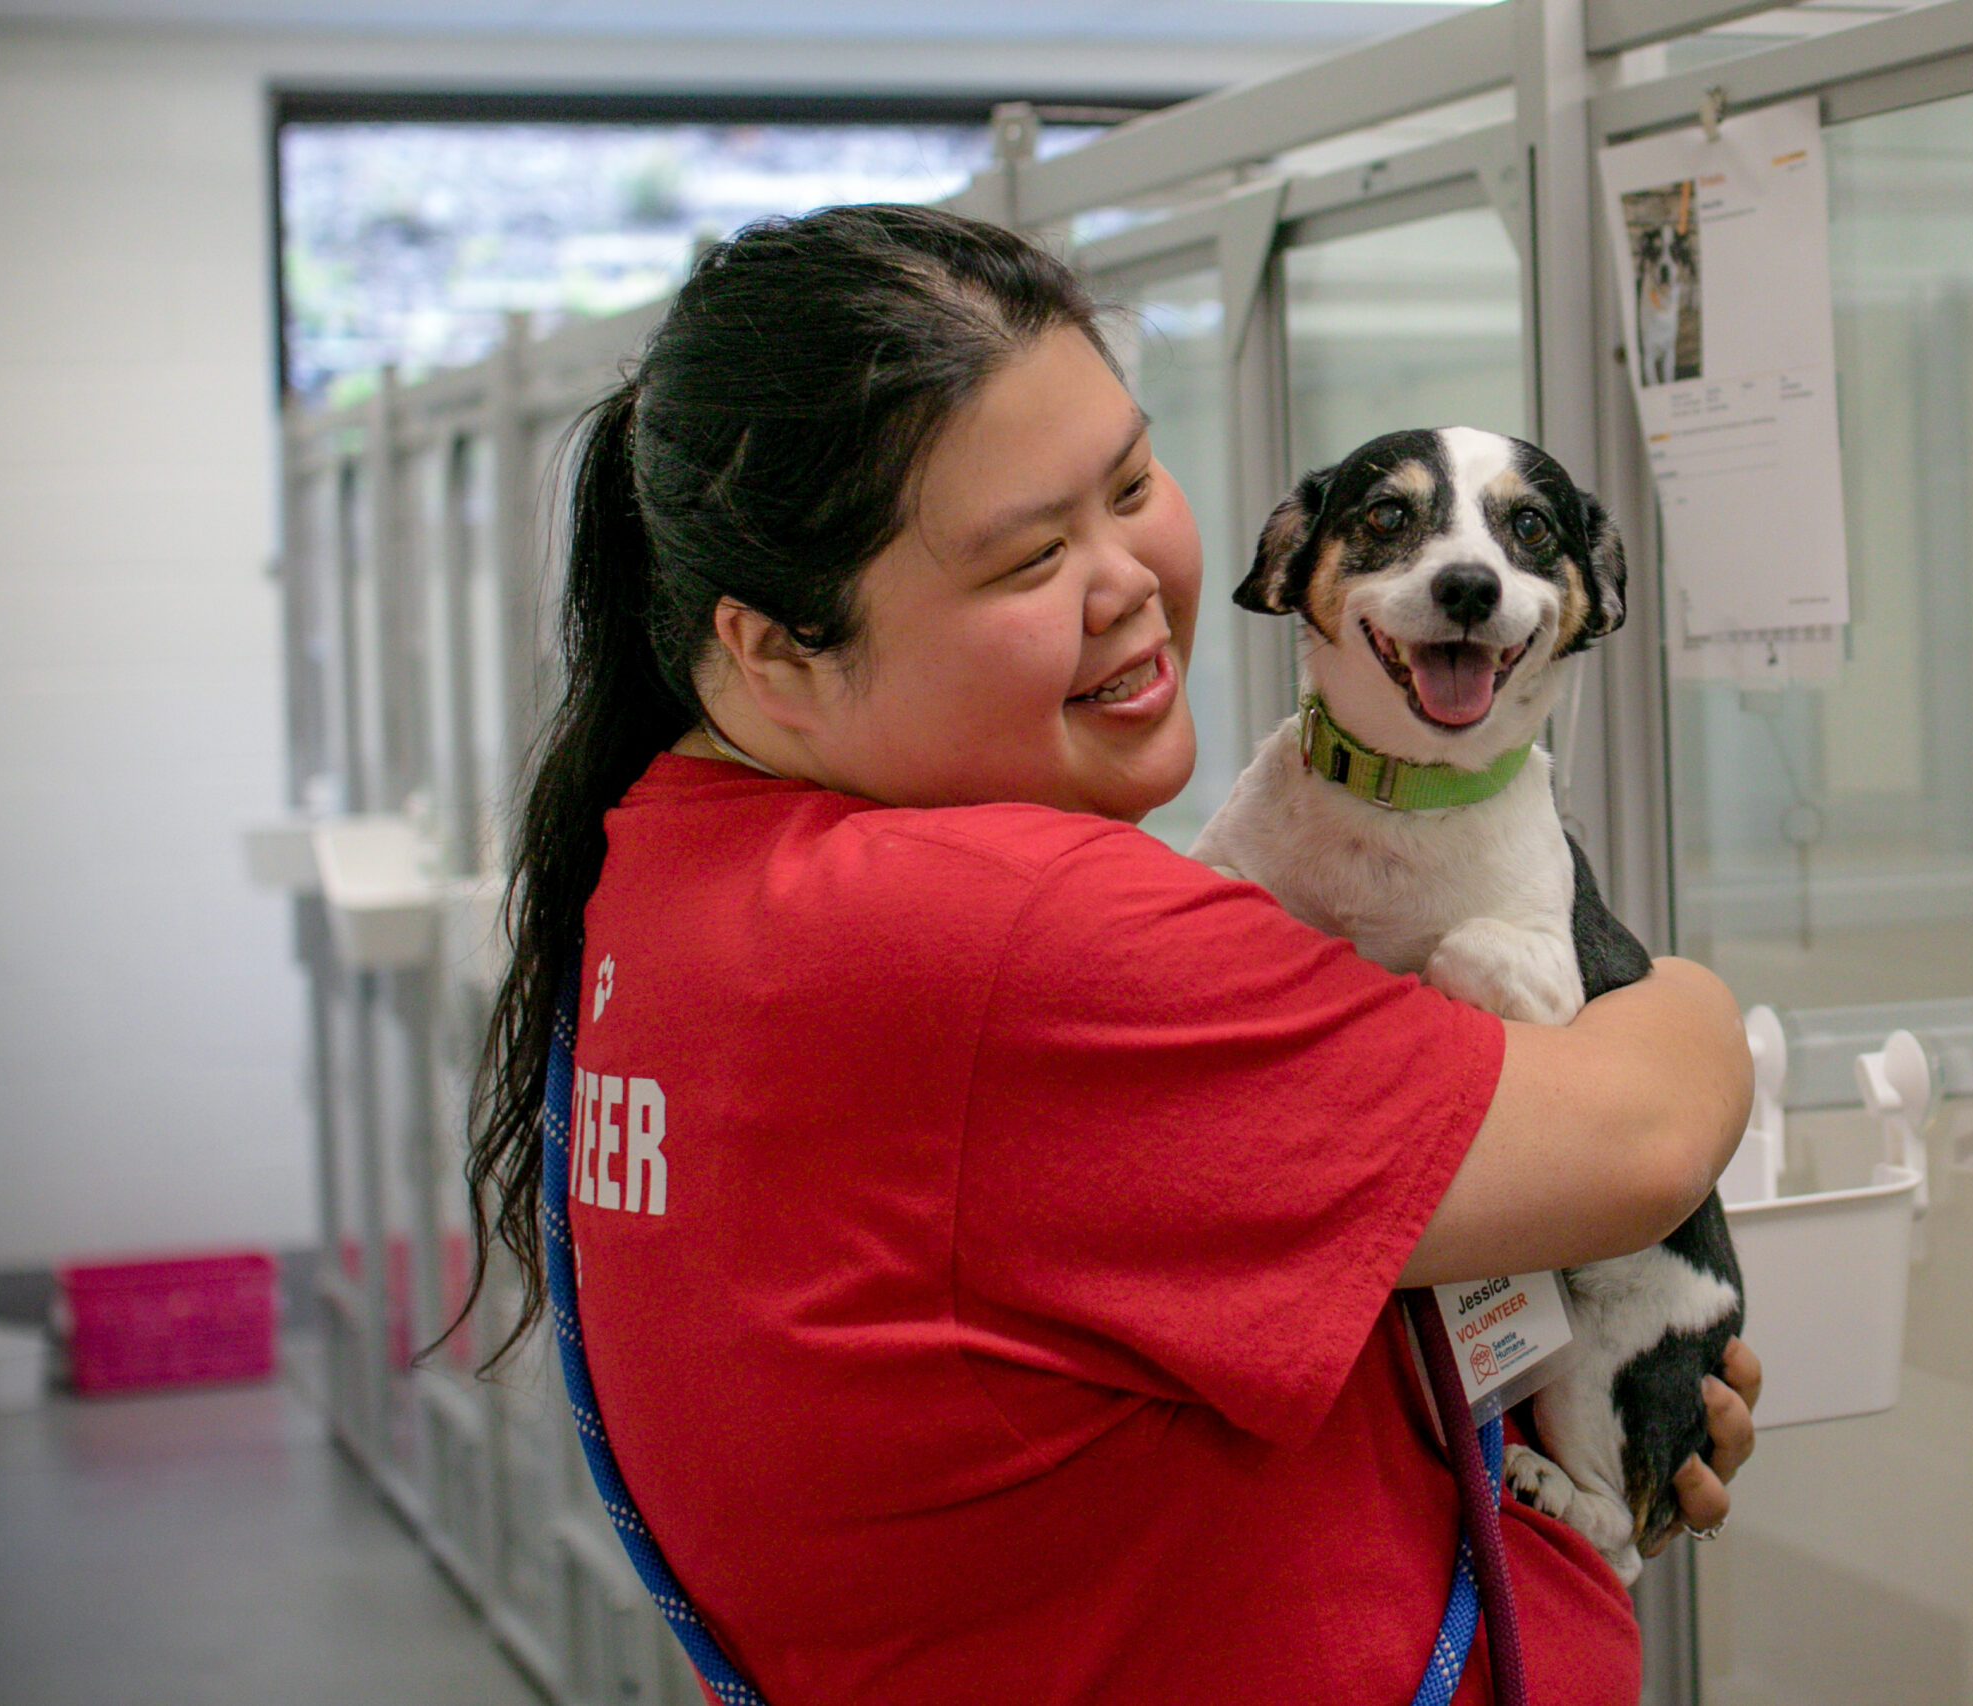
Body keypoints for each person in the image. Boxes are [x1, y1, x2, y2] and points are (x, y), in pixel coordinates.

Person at [464, 204, 1760, 1706]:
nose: (1130, 578)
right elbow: (1650, 1127)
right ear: (774, 650)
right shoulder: (1000, 938)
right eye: (1027, 558)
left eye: (1134, 482)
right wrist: (1691, 1005)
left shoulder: (670, 860)